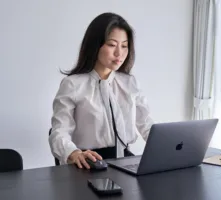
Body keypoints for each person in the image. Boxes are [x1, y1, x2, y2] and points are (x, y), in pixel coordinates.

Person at [49, 12, 154, 169]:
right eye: (112, 45)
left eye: (124, 46)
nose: (119, 53)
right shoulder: (72, 84)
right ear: (95, 44)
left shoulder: (129, 82)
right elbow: (59, 132)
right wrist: (73, 153)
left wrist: (170, 147)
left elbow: (145, 123)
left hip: (125, 161)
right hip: (89, 163)